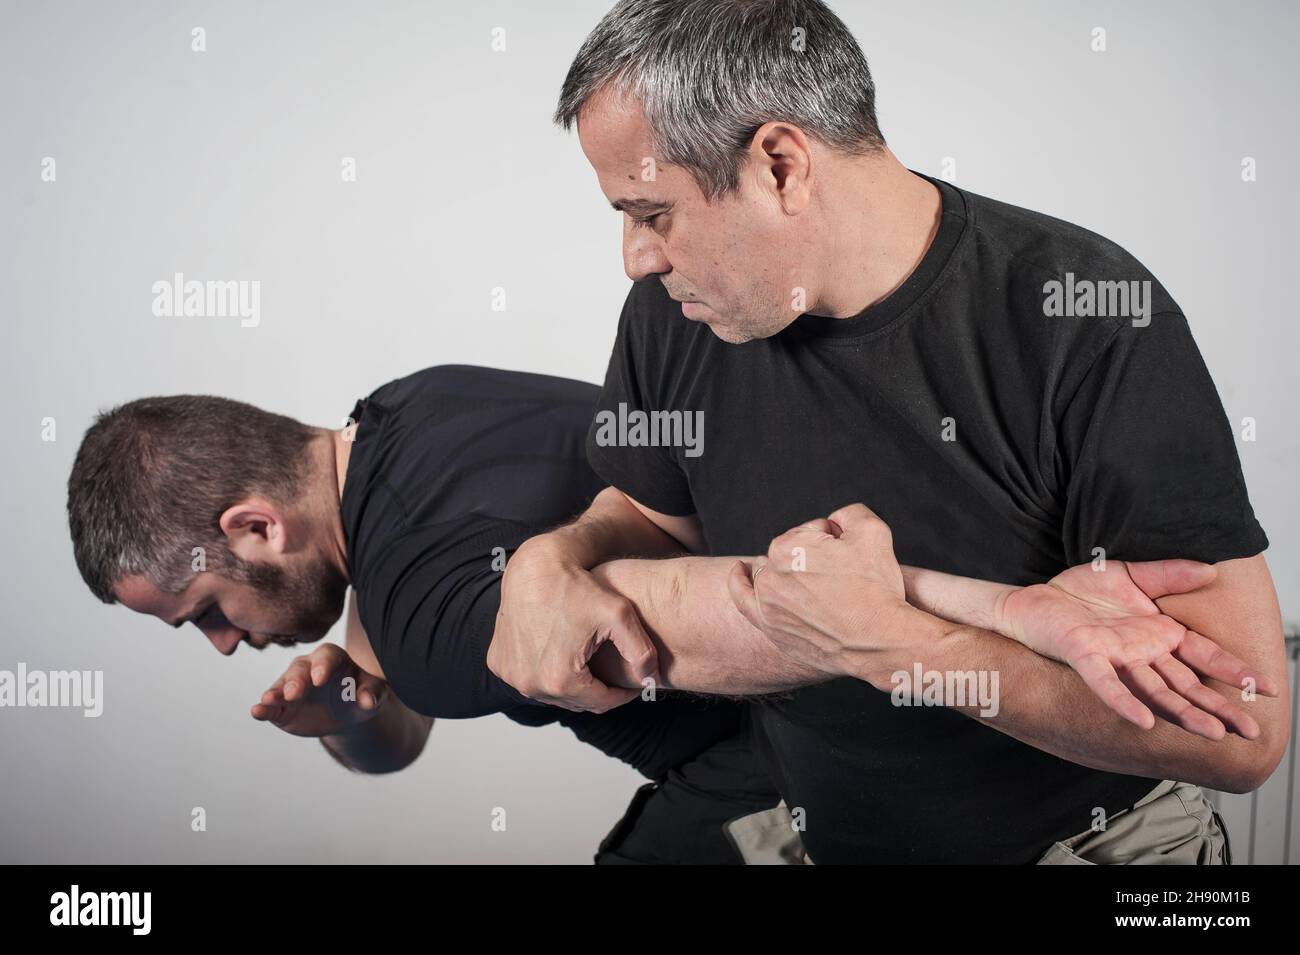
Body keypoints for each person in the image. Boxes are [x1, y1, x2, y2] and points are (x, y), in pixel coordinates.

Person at [486, 0, 1290, 863]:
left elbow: (1241, 734)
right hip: (824, 827)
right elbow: (651, 518)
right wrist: (551, 559)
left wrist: (907, 645)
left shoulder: (1085, 316)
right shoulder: (672, 313)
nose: (635, 257)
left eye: (651, 213)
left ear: (782, 166)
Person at [66, 364, 780, 864]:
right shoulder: (405, 409)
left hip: (792, 746)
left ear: (256, 528)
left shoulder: (407, 598)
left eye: (205, 612)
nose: (223, 644)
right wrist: (350, 709)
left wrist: (859, 635)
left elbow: (657, 630)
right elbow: (398, 716)